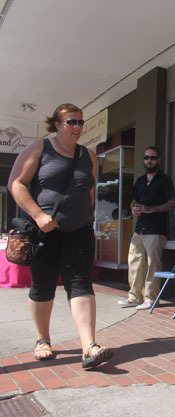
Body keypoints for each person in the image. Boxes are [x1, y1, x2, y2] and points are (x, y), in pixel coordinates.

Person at [7, 103, 113, 369]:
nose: (77, 127)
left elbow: (89, 190)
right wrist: (39, 215)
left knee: (80, 282)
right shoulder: (40, 148)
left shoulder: (88, 155)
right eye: (71, 122)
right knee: (43, 285)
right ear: (57, 124)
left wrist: (87, 218)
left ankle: (89, 346)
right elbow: (16, 183)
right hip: (44, 230)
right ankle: (43, 339)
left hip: (78, 230)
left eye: (80, 122)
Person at [118, 146, 175, 310]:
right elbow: (133, 201)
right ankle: (134, 297)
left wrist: (152, 209)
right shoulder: (140, 181)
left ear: (158, 160)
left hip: (156, 229)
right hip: (140, 228)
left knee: (153, 265)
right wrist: (134, 208)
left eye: (152, 157)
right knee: (134, 262)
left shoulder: (164, 180)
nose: (149, 160)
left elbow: (173, 202)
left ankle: (151, 298)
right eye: (146, 158)